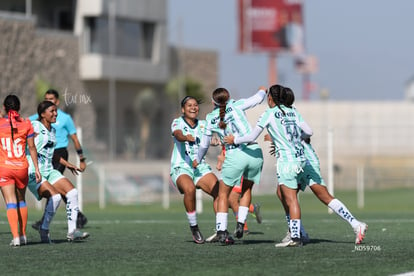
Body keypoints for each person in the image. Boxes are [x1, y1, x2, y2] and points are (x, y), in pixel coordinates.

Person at [272, 87, 367, 246]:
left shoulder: (285, 114)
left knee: (299, 195)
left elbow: (300, 134)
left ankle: (297, 233)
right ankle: (298, 231)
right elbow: (305, 133)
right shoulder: (291, 113)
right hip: (307, 159)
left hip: (304, 161)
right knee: (286, 194)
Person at [224, 84, 313, 247]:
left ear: (270, 98)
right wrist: (293, 139)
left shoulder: (269, 113)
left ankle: (295, 237)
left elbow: (251, 136)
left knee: (291, 199)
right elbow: (309, 131)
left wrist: (234, 140)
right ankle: (300, 233)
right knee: (282, 193)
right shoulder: (293, 111)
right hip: (301, 158)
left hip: (287, 161)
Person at [195, 86, 266, 245]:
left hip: (235, 155)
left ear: (213, 102)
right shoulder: (237, 105)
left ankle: (221, 231)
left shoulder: (210, 118)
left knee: (223, 194)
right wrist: (262, 90)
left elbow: (204, 145)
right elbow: (257, 99)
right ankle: (241, 224)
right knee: (247, 189)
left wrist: (197, 160)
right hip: (254, 152)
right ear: (228, 98)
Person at [27, 100, 90, 242]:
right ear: (43, 114)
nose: (56, 114)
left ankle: (72, 232)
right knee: (55, 198)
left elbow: (52, 154)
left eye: (56, 111)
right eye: (52, 111)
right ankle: (44, 229)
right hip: (34, 172)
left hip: (49, 170)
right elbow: (21, 138)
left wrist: (68, 164)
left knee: (72, 193)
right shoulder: (34, 126)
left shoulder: (53, 130)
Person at [170, 96, 220, 244]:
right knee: (190, 189)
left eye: (195, 105)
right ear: (183, 109)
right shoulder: (177, 122)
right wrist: (185, 137)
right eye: (189, 105)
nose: (193, 107)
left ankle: (220, 229)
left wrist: (214, 141)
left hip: (200, 167)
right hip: (182, 167)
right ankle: (194, 228)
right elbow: (177, 135)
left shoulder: (204, 124)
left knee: (220, 193)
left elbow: (208, 139)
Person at [0, 94, 41, 246]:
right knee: (21, 200)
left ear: (4, 107)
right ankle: (23, 235)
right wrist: (37, 169)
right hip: (22, 168)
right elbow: (32, 147)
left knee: (10, 202)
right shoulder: (27, 123)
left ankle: (16, 237)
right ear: (19, 108)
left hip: (4, 167)